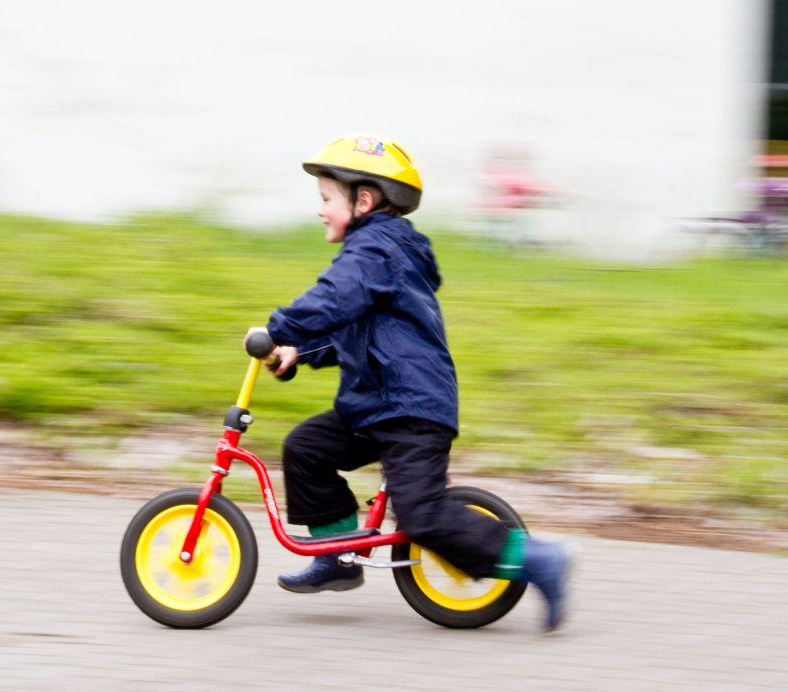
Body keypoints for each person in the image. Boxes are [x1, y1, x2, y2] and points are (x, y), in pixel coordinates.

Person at [245, 133, 572, 631]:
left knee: (420, 517)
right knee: (307, 448)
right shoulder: (377, 255)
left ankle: (539, 559)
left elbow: (335, 297)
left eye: (326, 199)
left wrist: (280, 327)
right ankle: (338, 557)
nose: (320, 210)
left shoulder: (376, 249)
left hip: (411, 410)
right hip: (374, 406)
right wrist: (300, 351)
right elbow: (352, 332)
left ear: (365, 200)